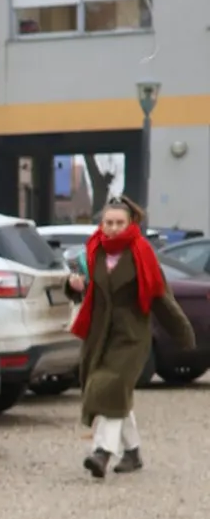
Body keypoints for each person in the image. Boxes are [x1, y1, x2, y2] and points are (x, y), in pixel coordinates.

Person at [68, 194, 194, 478]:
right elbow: (86, 289)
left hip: (132, 335)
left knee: (109, 385)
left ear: (130, 223)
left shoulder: (141, 253)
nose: (112, 228)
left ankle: (102, 453)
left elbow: (161, 297)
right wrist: (74, 285)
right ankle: (133, 452)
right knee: (114, 392)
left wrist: (182, 333)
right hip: (100, 333)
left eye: (118, 223)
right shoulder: (93, 250)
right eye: (108, 222)